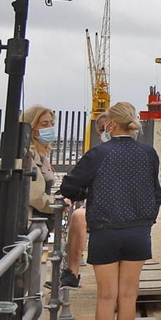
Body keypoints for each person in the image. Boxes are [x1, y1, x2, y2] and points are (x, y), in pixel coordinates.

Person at [58, 101, 161, 320]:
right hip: (138, 231)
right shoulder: (148, 153)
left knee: (106, 297)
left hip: (105, 230)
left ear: (111, 125)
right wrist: (147, 221)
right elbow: (155, 190)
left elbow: (71, 185)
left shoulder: (99, 153)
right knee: (128, 296)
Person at [58, 113, 108, 290]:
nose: (105, 132)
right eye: (102, 129)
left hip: (123, 211)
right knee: (79, 216)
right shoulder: (95, 155)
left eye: (107, 127)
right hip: (102, 208)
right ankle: (72, 272)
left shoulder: (97, 154)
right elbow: (77, 184)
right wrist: (73, 195)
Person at [19, 105, 59, 217]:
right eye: (44, 124)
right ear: (32, 128)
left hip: (42, 220)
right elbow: (34, 196)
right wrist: (56, 205)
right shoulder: (25, 156)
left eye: (52, 123)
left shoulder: (42, 157)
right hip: (28, 221)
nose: (50, 127)